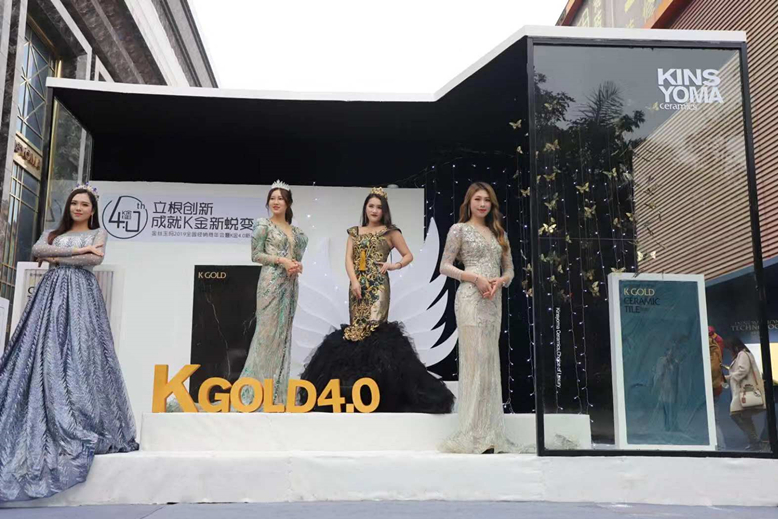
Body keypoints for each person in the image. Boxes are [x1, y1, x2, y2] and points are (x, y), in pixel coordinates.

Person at [0, 184, 138, 502]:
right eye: (74, 203)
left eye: (84, 204)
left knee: (81, 352)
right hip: (49, 296)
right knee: (42, 349)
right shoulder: (52, 233)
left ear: (92, 210)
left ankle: (79, 415)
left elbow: (94, 260)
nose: (78, 208)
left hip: (82, 296)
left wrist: (62, 256)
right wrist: (78, 252)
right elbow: (39, 250)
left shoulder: (99, 233)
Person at [300, 187, 454, 413]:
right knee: (357, 331)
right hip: (357, 287)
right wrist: (354, 281)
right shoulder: (355, 232)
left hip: (378, 286)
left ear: (384, 211)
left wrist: (393, 265)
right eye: (371, 206)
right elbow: (348, 259)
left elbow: (408, 255)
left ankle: (379, 391)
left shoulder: (390, 232)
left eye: (379, 207)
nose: (374, 210)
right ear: (365, 208)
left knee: (375, 332)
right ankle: (358, 389)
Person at [438, 182, 515, 454]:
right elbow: (444, 266)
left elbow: (510, 270)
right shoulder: (458, 230)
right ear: (469, 202)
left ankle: (489, 433)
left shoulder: (499, 233)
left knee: (489, 360)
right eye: (477, 199)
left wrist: (499, 281)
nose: (482, 204)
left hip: (493, 301)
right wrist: (474, 278)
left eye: (487, 200)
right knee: (475, 358)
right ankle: (471, 433)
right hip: (470, 298)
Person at [237, 180, 307, 409]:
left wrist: (296, 265)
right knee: (266, 335)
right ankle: (253, 394)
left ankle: (276, 394)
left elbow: (296, 257)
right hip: (270, 283)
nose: (276, 202)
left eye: (280, 198)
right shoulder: (263, 225)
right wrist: (281, 260)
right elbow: (255, 255)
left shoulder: (297, 233)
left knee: (283, 336)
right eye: (272, 198)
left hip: (290, 285)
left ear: (288, 203)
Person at [723, 337, 767, 451]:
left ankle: (755, 441)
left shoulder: (742, 354)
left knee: (735, 414)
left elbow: (743, 370)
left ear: (734, 346)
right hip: (742, 391)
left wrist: (730, 377)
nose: (729, 350)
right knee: (745, 417)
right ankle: (755, 442)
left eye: (729, 348)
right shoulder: (743, 354)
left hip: (744, 391)